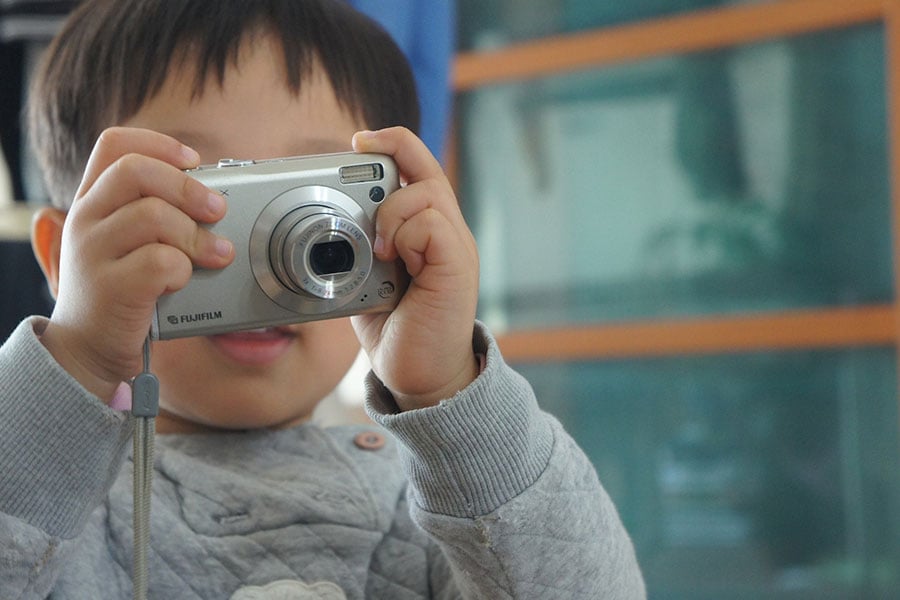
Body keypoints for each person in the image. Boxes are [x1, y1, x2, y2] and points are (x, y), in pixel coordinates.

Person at [0, 0, 645, 598]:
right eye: (198, 197)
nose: (267, 256)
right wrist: (77, 358)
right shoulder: (50, 510)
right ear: (63, 260)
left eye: (313, 199)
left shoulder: (450, 503)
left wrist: (450, 391)